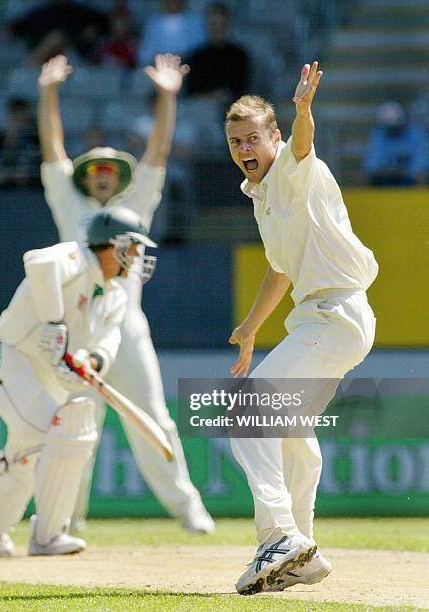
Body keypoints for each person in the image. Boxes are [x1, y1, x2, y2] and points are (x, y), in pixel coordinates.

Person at [38, 54, 214, 533]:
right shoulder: (71, 205)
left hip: (126, 328)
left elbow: (157, 155)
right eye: (94, 168)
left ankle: (188, 509)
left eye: (111, 170)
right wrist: (48, 91)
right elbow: (53, 153)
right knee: (77, 426)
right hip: (77, 329)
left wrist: (168, 96)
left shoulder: (135, 205)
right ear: (85, 177)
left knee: (153, 419)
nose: (102, 175)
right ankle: (67, 522)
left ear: (119, 179)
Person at [225, 62, 378, 594]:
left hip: (335, 314)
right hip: (327, 317)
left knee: (247, 410)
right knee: (292, 432)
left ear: (275, 139)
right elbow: (280, 269)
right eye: (235, 141)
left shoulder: (294, 168)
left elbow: (303, 148)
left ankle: (278, 536)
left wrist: (303, 111)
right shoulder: (263, 197)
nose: (244, 148)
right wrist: (249, 328)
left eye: (253, 138)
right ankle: (301, 555)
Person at [0, 206, 157, 556]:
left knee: (73, 427)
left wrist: (90, 361)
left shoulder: (115, 296)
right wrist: (54, 322)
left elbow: (108, 340)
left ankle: (35, 529)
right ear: (111, 245)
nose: (136, 257)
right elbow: (39, 263)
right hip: (9, 359)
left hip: (48, 379)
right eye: (132, 248)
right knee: (41, 433)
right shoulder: (78, 258)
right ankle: (7, 523)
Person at [186, 2, 249, 104]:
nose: (217, 28)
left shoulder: (239, 55)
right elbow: (190, 92)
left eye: (221, 24)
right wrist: (210, 97)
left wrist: (223, 96)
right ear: (207, 25)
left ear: (227, 24)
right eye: (214, 24)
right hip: (201, 107)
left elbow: (241, 89)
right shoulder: (196, 56)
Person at [363, 100, 427, 186]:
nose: (393, 131)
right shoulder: (379, 135)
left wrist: (406, 171)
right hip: (384, 181)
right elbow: (371, 165)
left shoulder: (416, 134)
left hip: (409, 181)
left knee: (421, 177)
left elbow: (421, 164)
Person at [0, 98, 41, 190]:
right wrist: (10, 140)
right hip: (3, 187)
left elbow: (37, 163)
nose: (19, 118)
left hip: (32, 187)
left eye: (22, 114)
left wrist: (25, 173)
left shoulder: (36, 137)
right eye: (15, 114)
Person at [137, 0, 206, 67]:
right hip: (160, 69)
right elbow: (145, 55)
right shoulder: (153, 22)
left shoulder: (195, 20)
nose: (173, 2)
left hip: (189, 67)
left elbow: (200, 49)